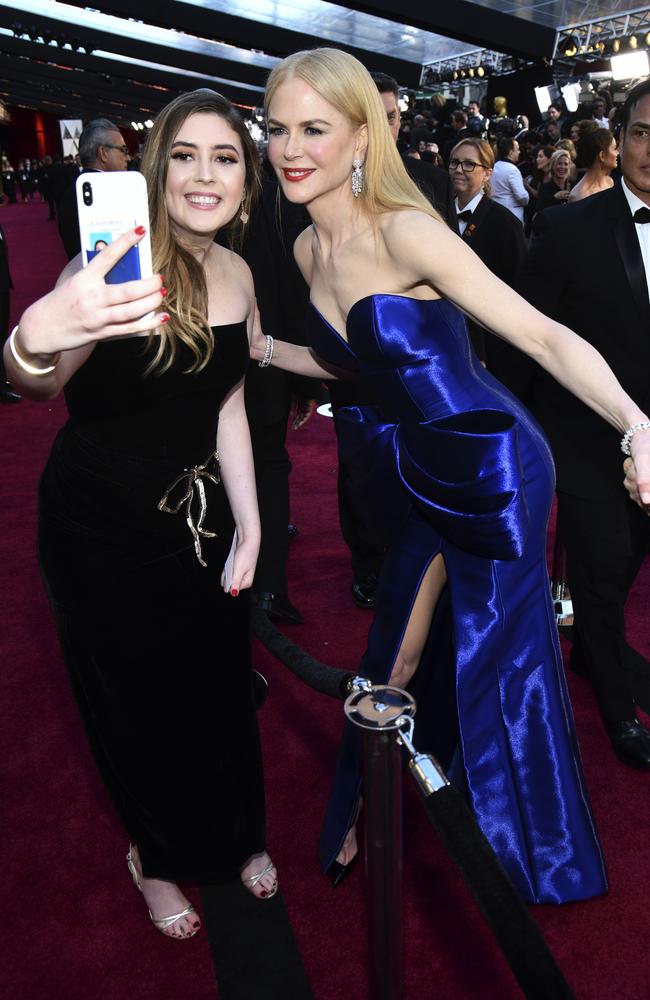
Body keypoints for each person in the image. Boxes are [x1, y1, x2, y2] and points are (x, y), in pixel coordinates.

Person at [257, 46, 650, 904]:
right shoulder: (300, 250)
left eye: (314, 129)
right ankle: (376, 803)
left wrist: (636, 424)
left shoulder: (406, 229)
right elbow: (356, 362)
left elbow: (541, 335)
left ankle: (533, 859)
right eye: (278, 127)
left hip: (493, 466)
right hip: (411, 472)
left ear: (363, 135)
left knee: (496, 655)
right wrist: (257, 345)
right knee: (394, 647)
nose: (291, 148)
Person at [4, 89, 278, 939]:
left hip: (195, 518)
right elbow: (37, 381)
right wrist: (36, 332)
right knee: (134, 701)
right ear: (157, 169)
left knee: (217, 684)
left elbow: (227, 405)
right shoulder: (110, 261)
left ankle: (233, 833)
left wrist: (254, 523)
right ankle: (153, 858)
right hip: (100, 522)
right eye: (186, 155)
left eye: (225, 157)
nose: (205, 174)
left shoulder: (237, 273)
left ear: (246, 175)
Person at [515, 76, 650, 768]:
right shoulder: (564, 228)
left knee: (628, 566)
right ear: (617, 140)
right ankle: (619, 712)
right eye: (642, 132)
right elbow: (527, 338)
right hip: (590, 444)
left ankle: (597, 654)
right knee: (599, 574)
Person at [449, 137, 527, 383]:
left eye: (469, 164)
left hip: (491, 343)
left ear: (487, 174)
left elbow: (519, 287)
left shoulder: (505, 224)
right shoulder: (437, 213)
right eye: (454, 162)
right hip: (443, 336)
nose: (460, 169)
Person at [57, 118, 129, 260]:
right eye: (123, 150)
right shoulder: (110, 193)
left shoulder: (71, 192)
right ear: (103, 153)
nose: (127, 157)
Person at [568, 122, 617, 202]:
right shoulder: (578, 196)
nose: (617, 153)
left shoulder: (610, 182)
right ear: (602, 156)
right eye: (614, 148)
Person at [490, 136, 529, 223]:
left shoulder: (493, 167)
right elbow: (522, 196)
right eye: (517, 149)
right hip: (511, 215)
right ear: (511, 152)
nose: (519, 152)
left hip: (494, 212)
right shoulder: (512, 170)